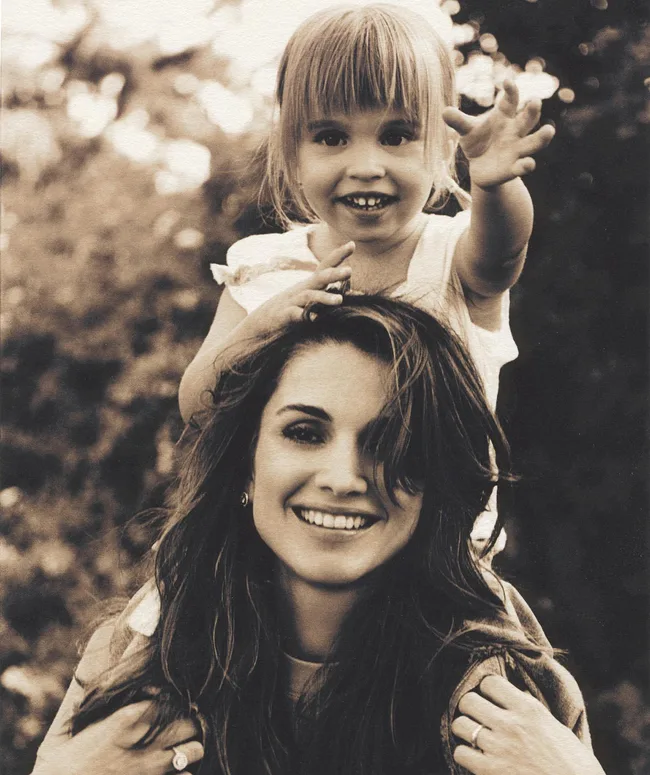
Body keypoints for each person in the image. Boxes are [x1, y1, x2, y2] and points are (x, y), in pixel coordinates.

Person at [32, 296, 605, 775]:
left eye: (391, 441)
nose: (342, 478)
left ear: (435, 482)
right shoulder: (134, 657)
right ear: (246, 467)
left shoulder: (512, 689)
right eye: (305, 433)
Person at [178, 3, 555, 554]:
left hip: (433, 558)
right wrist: (260, 328)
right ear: (291, 152)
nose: (366, 164)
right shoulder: (267, 264)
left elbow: (502, 255)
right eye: (331, 137)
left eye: (397, 135)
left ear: (444, 147)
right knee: (156, 632)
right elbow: (198, 405)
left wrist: (497, 187)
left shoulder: (451, 254)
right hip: (285, 547)